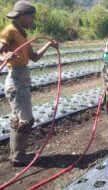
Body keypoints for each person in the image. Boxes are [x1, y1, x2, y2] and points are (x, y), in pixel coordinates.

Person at [0, 0, 58, 167]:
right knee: (26, 120)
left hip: (22, 77)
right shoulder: (9, 31)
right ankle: (19, 157)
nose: (32, 20)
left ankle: (16, 155)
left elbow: (34, 57)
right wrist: (4, 57)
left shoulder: (22, 34)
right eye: (31, 17)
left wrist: (48, 45)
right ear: (23, 15)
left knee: (18, 119)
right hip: (16, 79)